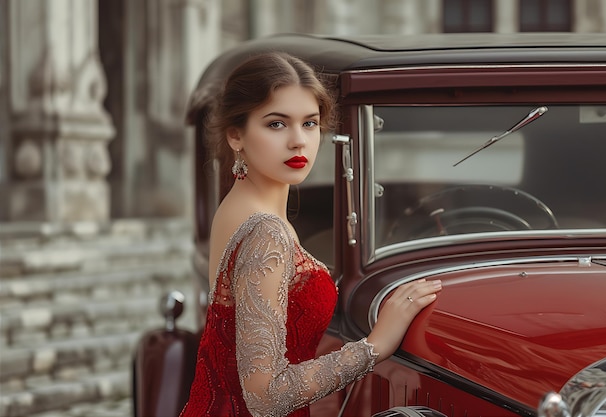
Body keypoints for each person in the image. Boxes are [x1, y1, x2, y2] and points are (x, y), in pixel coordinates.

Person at [179, 51, 442, 417]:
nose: (298, 141)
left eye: (310, 123)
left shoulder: (236, 207)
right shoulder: (264, 231)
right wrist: (374, 346)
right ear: (235, 134)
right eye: (276, 124)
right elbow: (265, 395)